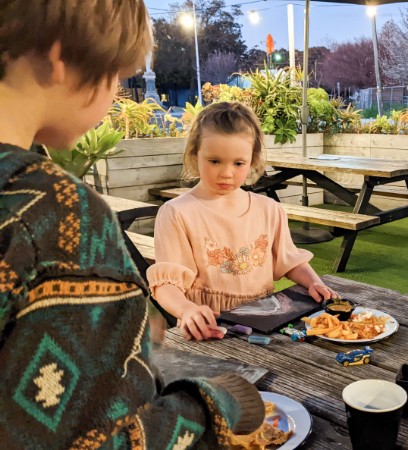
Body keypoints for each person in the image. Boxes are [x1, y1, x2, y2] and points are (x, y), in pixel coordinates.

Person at [0, 1, 264, 448]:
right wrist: (218, 403)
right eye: (119, 78)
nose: (116, 95)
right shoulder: (55, 213)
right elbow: (106, 437)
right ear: (61, 58)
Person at [148, 101, 337, 341]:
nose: (226, 173)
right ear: (195, 155)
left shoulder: (269, 209)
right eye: (214, 161)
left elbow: (289, 262)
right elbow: (166, 284)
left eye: (238, 163)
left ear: (253, 159)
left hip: (267, 327)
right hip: (210, 331)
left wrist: (314, 282)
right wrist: (187, 310)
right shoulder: (177, 213)